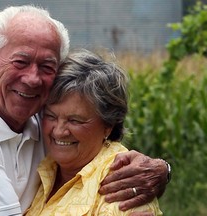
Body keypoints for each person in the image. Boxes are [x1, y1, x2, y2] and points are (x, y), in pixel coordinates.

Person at [0, 5, 169, 216]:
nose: (32, 78)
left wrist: (162, 169)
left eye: (47, 66)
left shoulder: (41, 122)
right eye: (21, 61)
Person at [24, 49, 163, 216]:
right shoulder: (46, 166)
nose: (59, 131)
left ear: (108, 124)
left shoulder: (122, 182)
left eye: (75, 121)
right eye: (51, 116)